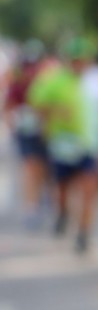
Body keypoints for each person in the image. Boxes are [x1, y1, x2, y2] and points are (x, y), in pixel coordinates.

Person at [28, 38, 98, 254]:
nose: (80, 64)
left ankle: (84, 233)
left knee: (89, 191)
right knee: (62, 188)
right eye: (76, 60)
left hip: (90, 145)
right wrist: (55, 113)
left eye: (84, 60)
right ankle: (62, 213)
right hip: (63, 145)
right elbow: (37, 105)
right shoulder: (54, 80)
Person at [5, 39, 49, 229]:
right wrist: (15, 123)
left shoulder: (48, 82)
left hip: (48, 134)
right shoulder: (18, 84)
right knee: (30, 168)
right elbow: (8, 108)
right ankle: (31, 206)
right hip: (27, 133)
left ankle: (41, 200)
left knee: (43, 169)